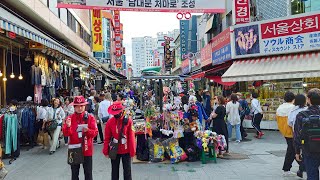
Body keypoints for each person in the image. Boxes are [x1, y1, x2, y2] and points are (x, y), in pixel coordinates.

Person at [62, 96, 98, 180]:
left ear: (85, 106)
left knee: (88, 174)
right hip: (74, 149)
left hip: (87, 149)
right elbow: (66, 134)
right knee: (74, 174)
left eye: (82, 105)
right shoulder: (69, 118)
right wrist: (68, 126)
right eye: (77, 106)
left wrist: (88, 130)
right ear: (74, 107)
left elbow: (95, 133)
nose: (80, 108)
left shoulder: (90, 117)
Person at [103, 102, 136, 180]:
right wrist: (106, 151)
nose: (116, 114)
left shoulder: (128, 121)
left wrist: (133, 151)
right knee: (114, 171)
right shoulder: (110, 122)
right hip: (114, 149)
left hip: (126, 149)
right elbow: (107, 138)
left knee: (127, 171)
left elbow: (131, 137)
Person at [294, 88, 320, 180]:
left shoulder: (302, 115)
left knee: (312, 174)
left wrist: (297, 152)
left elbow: (297, 135)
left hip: (309, 149)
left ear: (308, 99)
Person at [276, 91, 297, 176]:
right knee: (293, 150)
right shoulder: (293, 108)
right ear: (293, 99)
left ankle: (288, 168)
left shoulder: (280, 107)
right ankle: (287, 168)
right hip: (292, 132)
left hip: (284, 132)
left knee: (292, 149)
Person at [288, 94, 307, 178]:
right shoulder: (307, 110)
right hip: (306, 135)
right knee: (306, 152)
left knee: (297, 151)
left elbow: (289, 123)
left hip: (296, 135)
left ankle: (301, 168)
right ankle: (303, 168)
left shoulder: (292, 110)